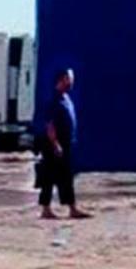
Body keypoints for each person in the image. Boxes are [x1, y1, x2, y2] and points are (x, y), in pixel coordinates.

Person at [37, 68, 90, 219]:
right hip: (55, 146)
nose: (71, 81)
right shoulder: (54, 100)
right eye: (69, 78)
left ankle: (72, 208)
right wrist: (56, 144)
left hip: (66, 144)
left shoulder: (66, 98)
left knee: (66, 177)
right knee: (49, 177)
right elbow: (50, 125)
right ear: (61, 80)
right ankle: (46, 210)